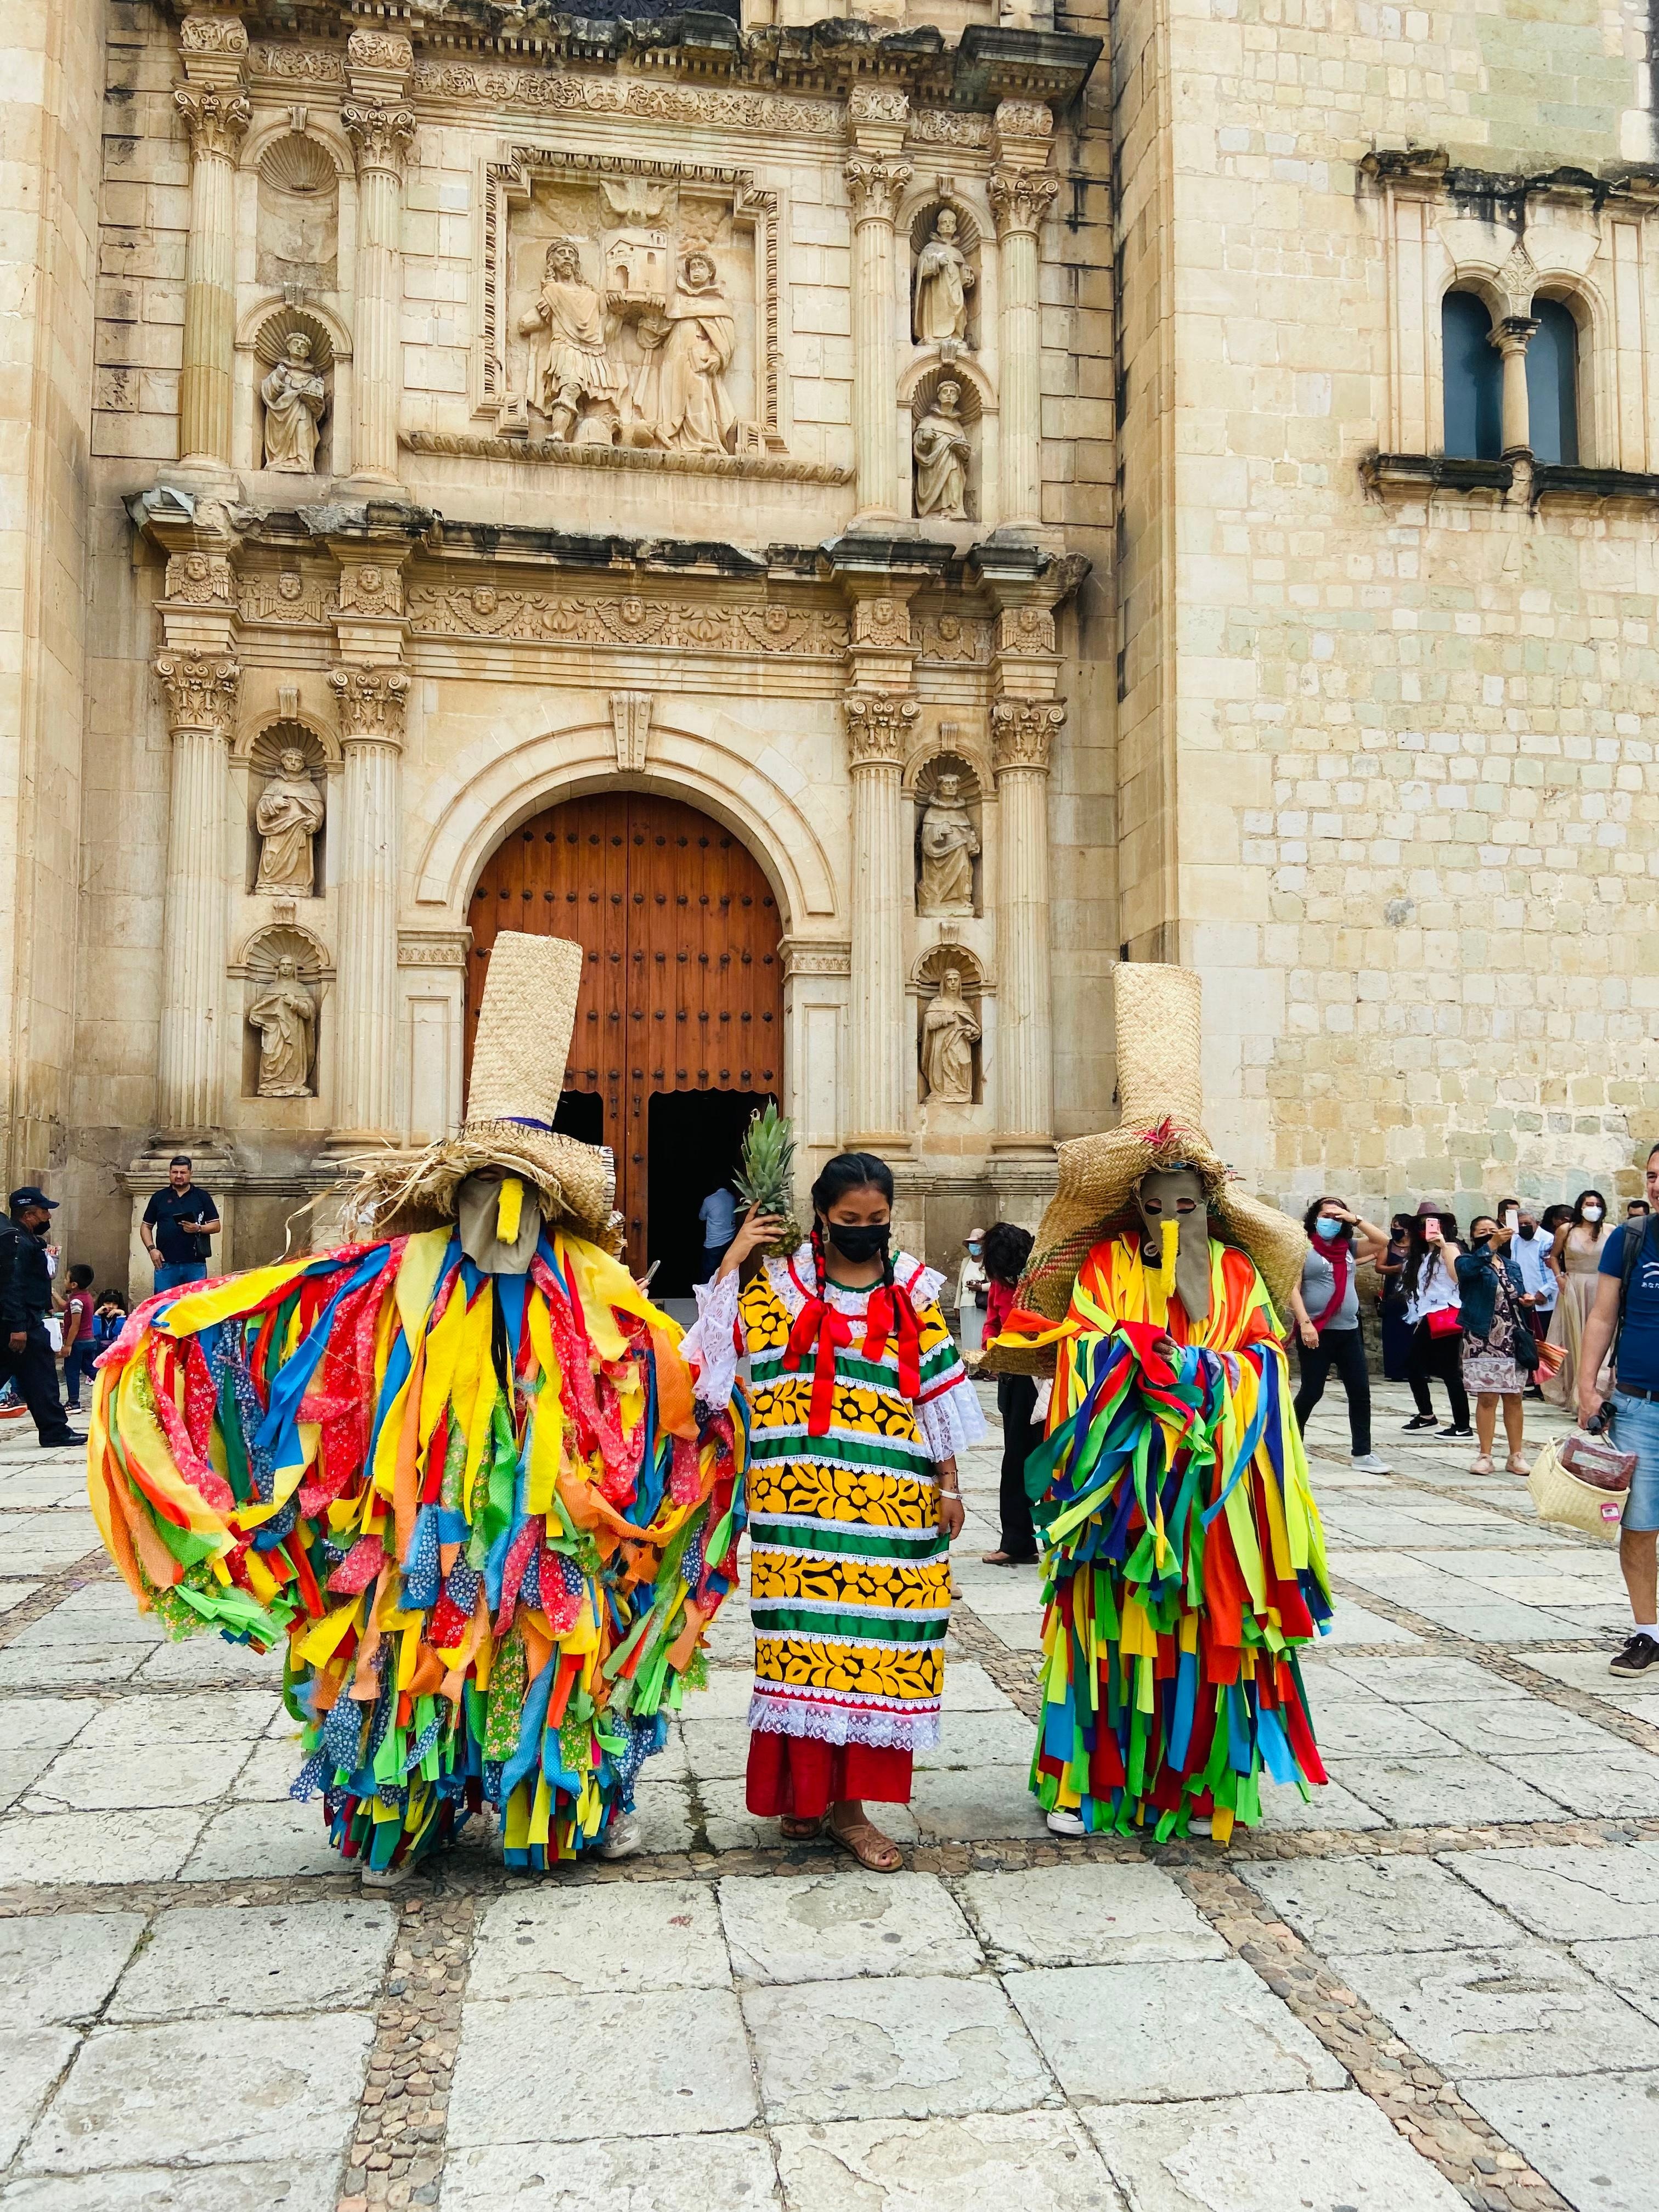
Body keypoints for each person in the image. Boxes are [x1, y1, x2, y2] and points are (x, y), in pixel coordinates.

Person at [90, 935, 744, 1882]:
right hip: (417, 1521)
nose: (504, 1212)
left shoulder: (593, 1281)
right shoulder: (385, 1273)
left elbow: (665, 1374)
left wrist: (709, 1409)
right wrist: (162, 1336)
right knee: (405, 1652)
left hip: (549, 1519)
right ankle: (399, 1819)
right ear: (454, 1194)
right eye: (486, 1189)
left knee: (551, 1650)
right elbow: (275, 1319)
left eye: (521, 1192)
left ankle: (566, 1806)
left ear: (549, 1202)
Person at [985, 962, 1329, 1844]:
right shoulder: (1104, 1266)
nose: (1173, 1216)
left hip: (1214, 1495)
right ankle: (1085, 1782)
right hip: (1122, 1502)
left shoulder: (1240, 1272)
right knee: (1109, 1638)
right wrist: (1144, 1361)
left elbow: (1264, 1360)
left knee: (1209, 1637)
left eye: (1188, 1202)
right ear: (1134, 1208)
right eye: (1157, 1204)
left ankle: (1202, 1786)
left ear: (1211, 1203)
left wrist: (1205, 1371)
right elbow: (1083, 1348)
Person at [685, 1151, 985, 1871]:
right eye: (850, 1218)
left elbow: (936, 1398)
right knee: (801, 1651)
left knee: (873, 1655)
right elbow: (711, 1358)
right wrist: (734, 1258)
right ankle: (807, 1794)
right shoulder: (780, 1286)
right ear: (822, 1215)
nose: (864, 1229)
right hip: (800, 1515)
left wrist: (948, 1484)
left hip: (891, 1515)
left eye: (876, 1219)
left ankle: (850, 1812)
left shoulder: (912, 1289)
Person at [1577, 1144, 1659, 1675]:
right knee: (1640, 1525)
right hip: (1638, 1407)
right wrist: (1587, 1387)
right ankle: (1649, 1633)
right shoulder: (1630, 1240)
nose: (1657, 1185)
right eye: (1652, 1175)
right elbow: (1603, 1317)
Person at [1289, 1198, 1391, 1474]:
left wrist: (1354, 1219)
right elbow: (1293, 1288)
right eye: (1326, 1215)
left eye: (1337, 1216)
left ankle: (1363, 1453)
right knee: (1312, 1390)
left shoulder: (1348, 1247)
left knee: (1360, 1392)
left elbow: (1382, 1242)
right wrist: (1305, 1323)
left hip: (1348, 1330)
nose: (1331, 1221)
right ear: (1314, 1218)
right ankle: (1293, 1445)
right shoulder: (1303, 1247)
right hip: (1317, 1331)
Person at [0, 1188, 82, 1447]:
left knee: (41, 1378)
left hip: (28, 1322)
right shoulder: (17, 1243)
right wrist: (18, 1327)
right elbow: (11, 1286)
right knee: (40, 1377)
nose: (48, 1216)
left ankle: (54, 1431)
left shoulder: (27, 1240)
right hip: (20, 1323)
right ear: (28, 1215)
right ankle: (54, 1431)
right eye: (44, 1211)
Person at [980, 1221, 1039, 1566]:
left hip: (1046, 1377)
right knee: (1016, 1459)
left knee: (1053, 1456)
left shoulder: (1042, 1281)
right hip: (1015, 1378)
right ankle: (1018, 1541)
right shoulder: (1000, 1286)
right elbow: (992, 1323)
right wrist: (992, 1346)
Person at [1456, 1216, 1532, 1475]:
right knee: (1487, 1397)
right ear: (1473, 1236)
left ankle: (1516, 1455)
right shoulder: (1467, 1261)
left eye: (1493, 1230)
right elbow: (1467, 1272)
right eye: (1483, 1231)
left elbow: (1517, 1295)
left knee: (1514, 1397)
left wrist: (1526, 1301)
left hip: (1512, 1337)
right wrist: (1491, 1245)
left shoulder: (1512, 1266)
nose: (1489, 1234)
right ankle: (1485, 1455)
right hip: (1482, 1337)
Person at [1401, 1203, 1470, 1435]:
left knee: (1449, 1371)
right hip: (1430, 1317)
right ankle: (1427, 1416)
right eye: (1422, 1223)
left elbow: (1457, 1276)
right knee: (1414, 1366)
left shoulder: (1451, 1248)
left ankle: (1461, 1425)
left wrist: (1443, 1246)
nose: (1427, 1227)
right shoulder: (1422, 1256)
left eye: (1432, 1222)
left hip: (1447, 1315)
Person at [1542, 1189, 1613, 1409]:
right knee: (1575, 1337)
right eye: (1588, 1204)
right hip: (1574, 1286)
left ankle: (1599, 1390)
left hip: (1602, 1286)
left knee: (1601, 1338)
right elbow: (1554, 1257)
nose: (1593, 1208)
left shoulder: (1611, 1230)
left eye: (1597, 1205)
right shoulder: (1566, 1230)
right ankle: (1575, 1393)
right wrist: (1559, 1278)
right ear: (1580, 1207)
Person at [140, 1157, 221, 1294]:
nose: (178, 1176)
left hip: (195, 1263)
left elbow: (216, 1226)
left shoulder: (202, 1197)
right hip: (165, 1263)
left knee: (194, 1303)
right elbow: (146, 1226)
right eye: (175, 1172)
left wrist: (199, 1228)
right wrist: (152, 1249)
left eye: (183, 1172)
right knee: (164, 1303)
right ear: (169, 1173)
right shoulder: (159, 1197)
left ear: (191, 1173)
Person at [1374, 1212, 1413, 1381]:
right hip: (1392, 1295)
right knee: (1393, 1333)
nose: (1393, 1229)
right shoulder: (1388, 1246)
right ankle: (1394, 1371)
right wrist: (1396, 1269)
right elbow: (1379, 1267)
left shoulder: (1416, 1247)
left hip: (1412, 1296)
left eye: (1397, 1227)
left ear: (1407, 1229)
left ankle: (1414, 1370)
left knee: (1411, 1333)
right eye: (1392, 1226)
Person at [60, 1263, 98, 1414]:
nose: (64, 1281)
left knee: (72, 1371)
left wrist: (68, 1345)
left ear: (73, 1285)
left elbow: (75, 1325)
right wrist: (54, 1294)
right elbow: (66, 1307)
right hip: (89, 1340)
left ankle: (74, 1402)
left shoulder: (76, 1301)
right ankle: (112, 1387)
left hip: (78, 1342)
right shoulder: (85, 1297)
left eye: (66, 1279)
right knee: (89, 1368)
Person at [696, 1181, 737, 1284]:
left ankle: (708, 1293)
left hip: (714, 1242)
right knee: (727, 1272)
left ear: (714, 1186)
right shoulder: (732, 1198)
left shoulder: (709, 1200)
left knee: (708, 1273)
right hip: (731, 1240)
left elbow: (701, 1217)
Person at [956, 1228, 989, 1350]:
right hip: (965, 1304)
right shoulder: (966, 1261)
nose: (975, 1246)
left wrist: (981, 1287)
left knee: (980, 1337)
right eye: (972, 1243)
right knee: (968, 1337)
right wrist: (957, 1306)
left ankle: (982, 1362)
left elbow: (995, 1284)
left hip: (982, 1304)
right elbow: (960, 1285)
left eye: (978, 1243)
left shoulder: (989, 1262)